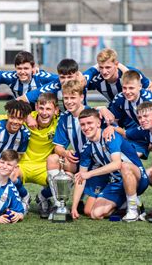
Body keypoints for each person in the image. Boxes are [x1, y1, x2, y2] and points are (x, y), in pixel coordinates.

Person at [0, 93, 60, 218]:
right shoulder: (23, 118)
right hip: (22, 165)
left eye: (48, 109)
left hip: (44, 167)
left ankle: (43, 197)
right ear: (36, 107)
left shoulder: (59, 122)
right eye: (41, 108)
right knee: (8, 173)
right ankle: (24, 197)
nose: (44, 113)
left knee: (67, 178)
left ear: (55, 110)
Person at [72, 108, 149, 222]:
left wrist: (89, 174)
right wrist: (74, 207)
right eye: (82, 124)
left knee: (124, 166)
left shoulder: (109, 135)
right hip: (117, 182)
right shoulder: (87, 148)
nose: (86, 127)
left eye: (89, 123)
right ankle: (125, 203)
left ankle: (133, 209)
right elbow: (81, 177)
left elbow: (117, 164)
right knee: (94, 214)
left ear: (98, 123)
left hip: (137, 178)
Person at [46, 80, 108, 219]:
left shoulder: (93, 114)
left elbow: (111, 129)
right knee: (53, 159)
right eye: (66, 98)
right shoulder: (64, 118)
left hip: (99, 164)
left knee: (90, 211)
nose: (68, 101)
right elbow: (58, 147)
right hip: (80, 161)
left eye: (72, 97)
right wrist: (65, 152)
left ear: (81, 97)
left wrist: (104, 109)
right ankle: (59, 204)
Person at [99, 70, 152, 158]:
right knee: (127, 157)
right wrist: (102, 110)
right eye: (124, 88)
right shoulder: (119, 99)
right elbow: (114, 120)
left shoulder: (150, 99)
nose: (127, 92)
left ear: (140, 87)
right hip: (142, 130)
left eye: (131, 88)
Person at [83, 48, 152, 103]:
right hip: (116, 113)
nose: (104, 71)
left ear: (116, 65)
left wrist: (150, 97)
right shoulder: (97, 79)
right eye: (101, 67)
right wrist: (93, 69)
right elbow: (80, 82)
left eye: (108, 67)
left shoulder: (132, 73)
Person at [20, 58, 87, 112]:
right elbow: (21, 99)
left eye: (70, 77)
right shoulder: (54, 86)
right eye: (62, 77)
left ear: (77, 75)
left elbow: (96, 67)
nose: (66, 81)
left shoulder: (85, 79)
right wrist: (28, 117)